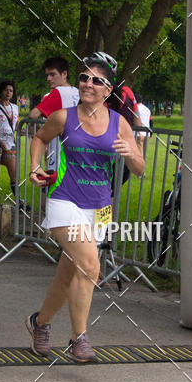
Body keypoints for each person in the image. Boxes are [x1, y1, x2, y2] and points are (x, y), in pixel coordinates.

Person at [26, 54, 145, 363]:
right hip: (64, 199)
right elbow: (39, 138)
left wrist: (130, 153)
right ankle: (78, 339)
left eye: (96, 81)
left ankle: (40, 323)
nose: (88, 84)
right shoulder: (63, 117)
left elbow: (140, 168)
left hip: (100, 207)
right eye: (84, 78)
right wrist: (35, 166)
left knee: (69, 276)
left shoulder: (119, 123)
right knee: (91, 266)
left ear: (108, 90)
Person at [29, 56, 80, 172]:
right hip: (78, 153)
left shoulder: (58, 92)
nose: (48, 78)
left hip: (59, 154)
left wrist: (40, 132)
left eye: (52, 74)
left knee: (54, 182)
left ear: (64, 74)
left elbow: (33, 114)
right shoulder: (77, 91)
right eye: (47, 75)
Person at [0, 79, 21, 207]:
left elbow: (16, 124)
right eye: (6, 90)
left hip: (10, 146)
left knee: (14, 174)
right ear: (1, 91)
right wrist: (0, 142)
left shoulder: (15, 107)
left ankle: (19, 202)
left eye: (11, 91)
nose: (8, 93)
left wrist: (23, 130)